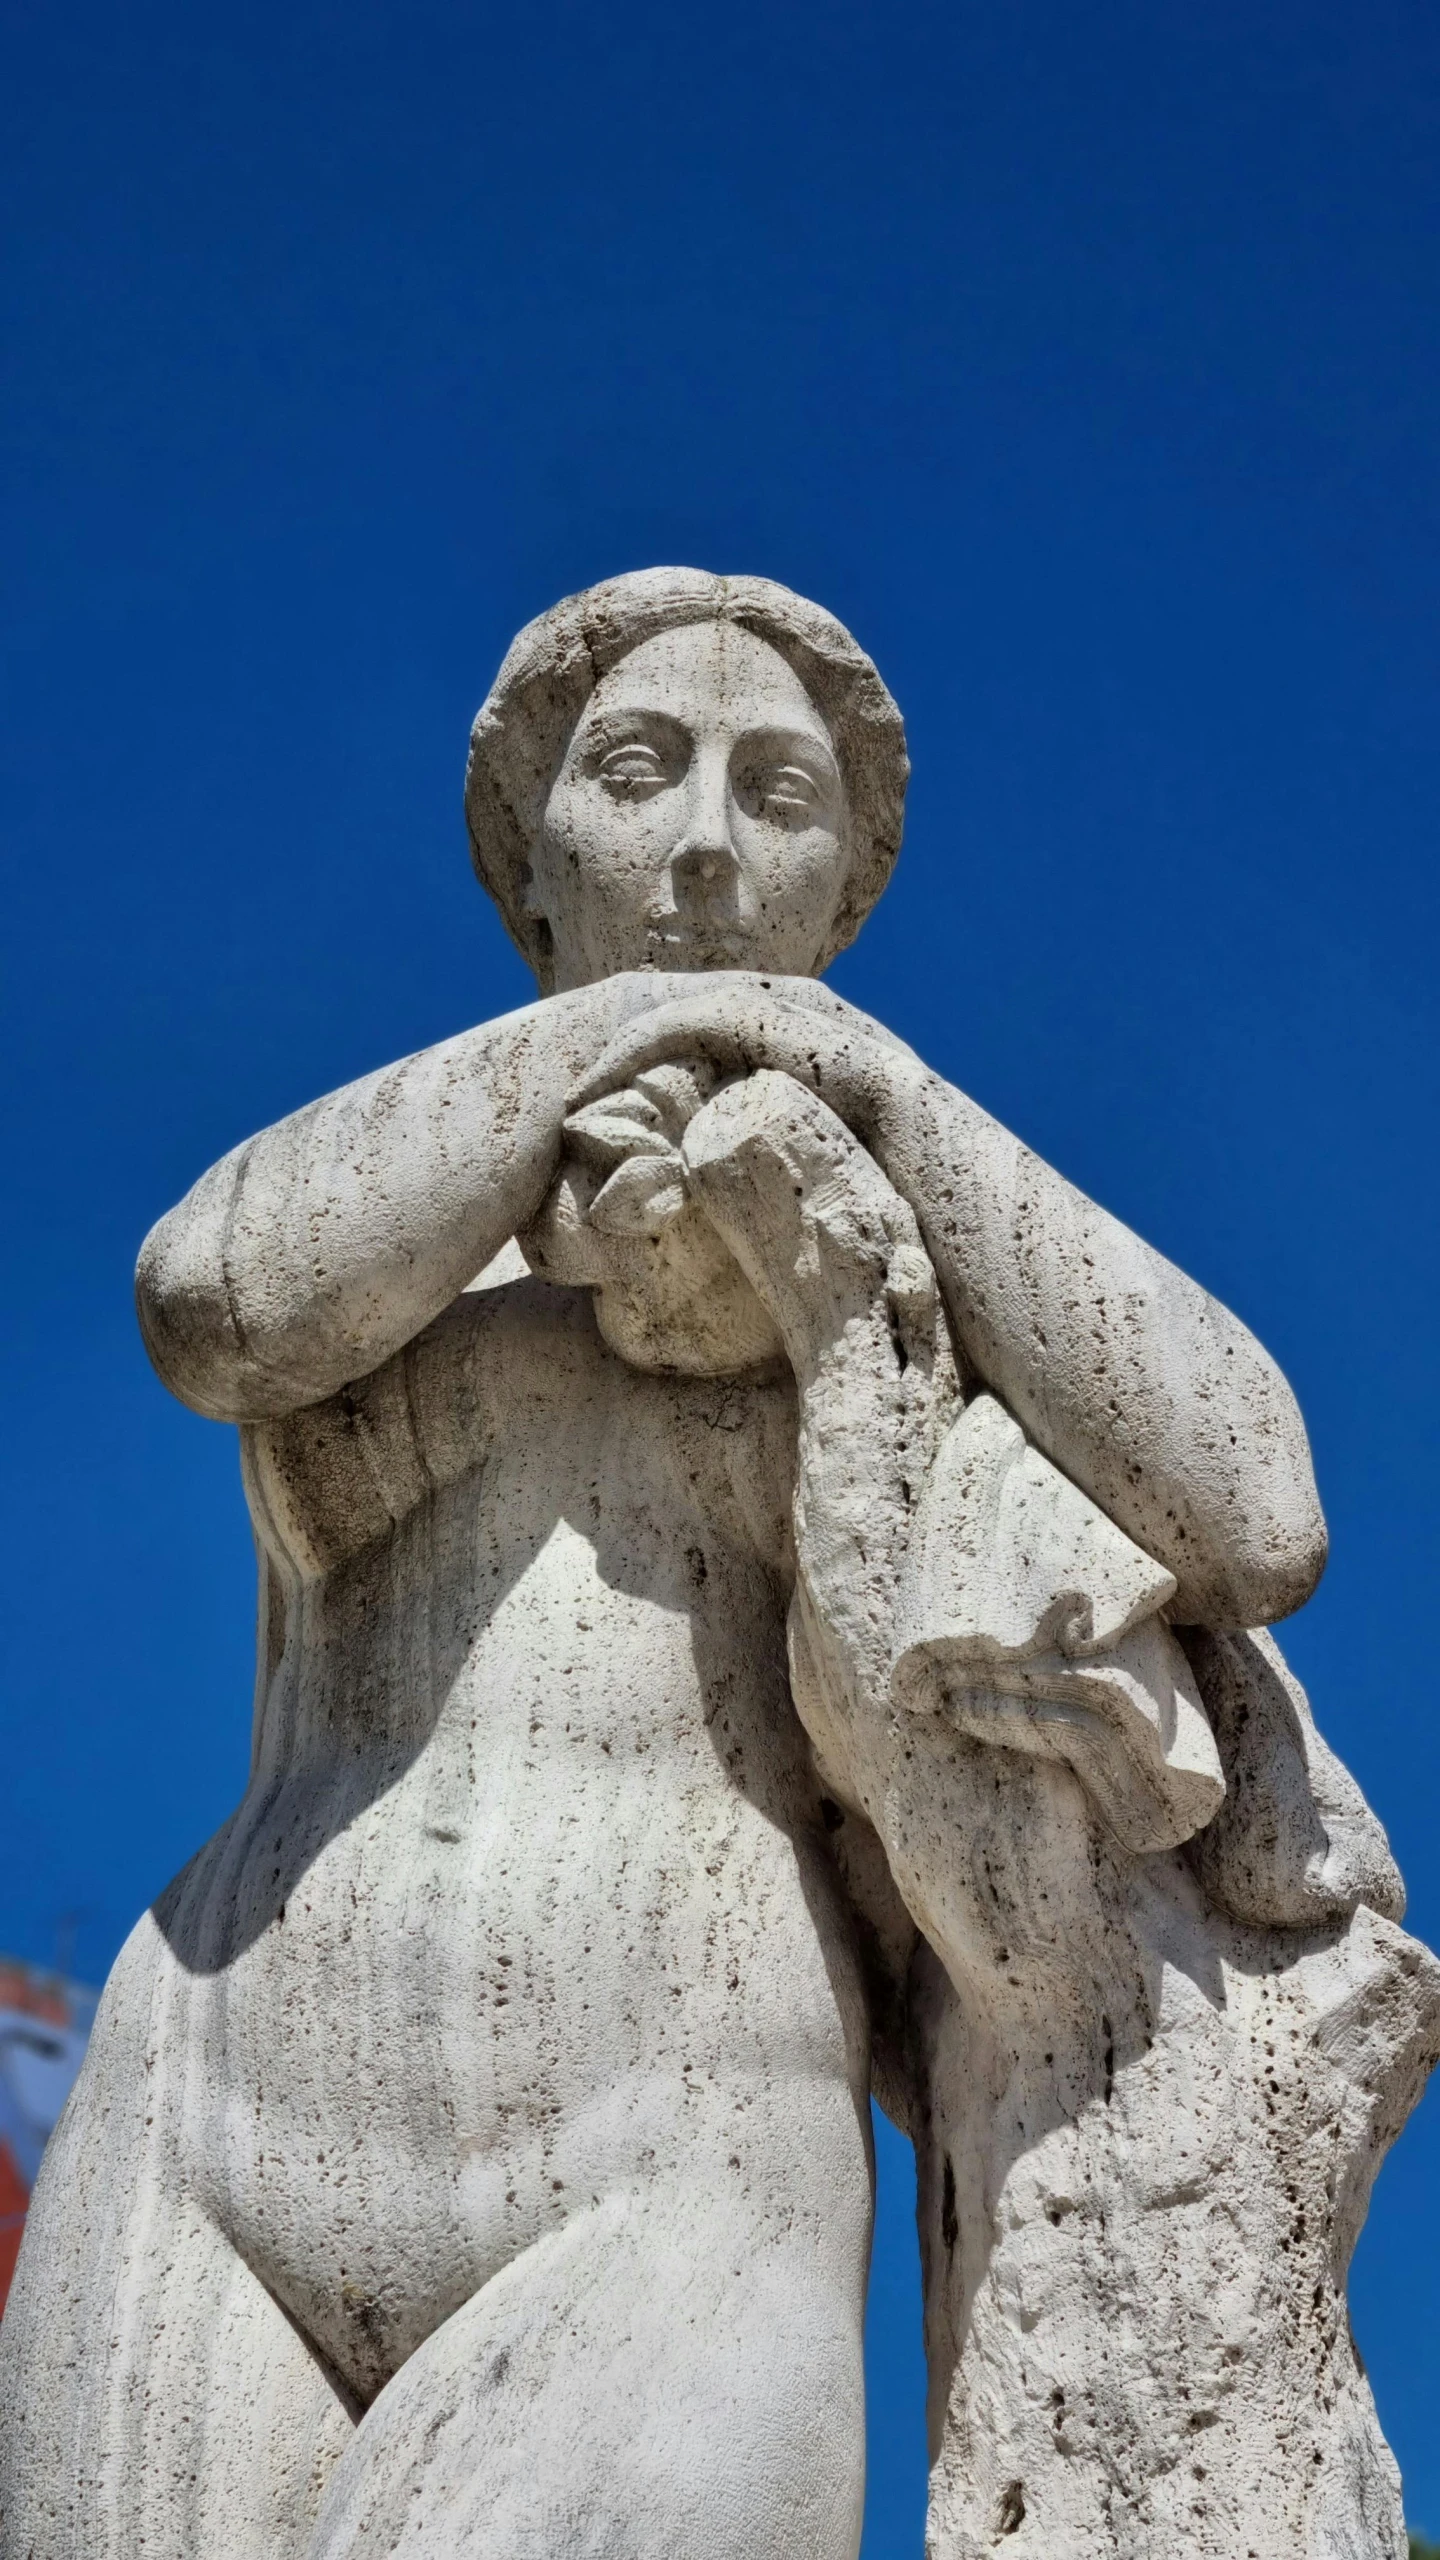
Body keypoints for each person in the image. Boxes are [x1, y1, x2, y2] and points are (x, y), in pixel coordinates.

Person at [0, 571, 1337, 2560]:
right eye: (640, 772)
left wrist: (866, 1085)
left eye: (777, 793)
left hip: (679, 2152)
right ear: (535, 860)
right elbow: (210, 1297)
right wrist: (637, 1024)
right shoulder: (409, 1210)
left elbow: (1259, 1501)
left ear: (843, 896)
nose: (708, 840)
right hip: (208, 2114)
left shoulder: (892, 1271)